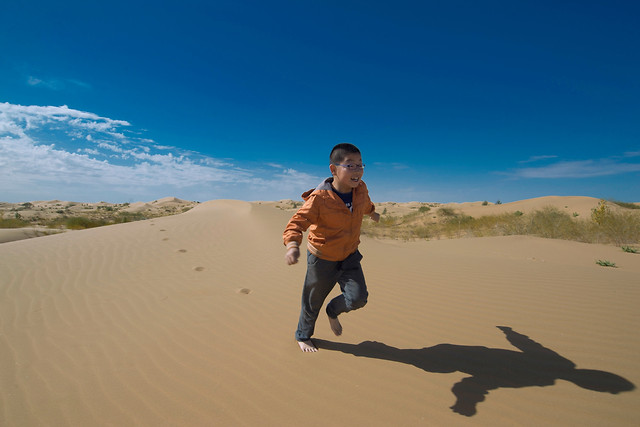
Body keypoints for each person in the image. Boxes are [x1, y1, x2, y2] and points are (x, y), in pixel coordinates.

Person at [283, 143, 380, 352]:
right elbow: (296, 224)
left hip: (349, 255)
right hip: (322, 259)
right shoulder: (319, 199)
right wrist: (292, 245)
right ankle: (303, 335)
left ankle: (333, 310)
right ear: (333, 169)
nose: (357, 170)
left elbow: (366, 205)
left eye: (360, 165)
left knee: (358, 298)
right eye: (350, 165)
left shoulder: (360, 189)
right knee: (312, 300)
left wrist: (372, 213)